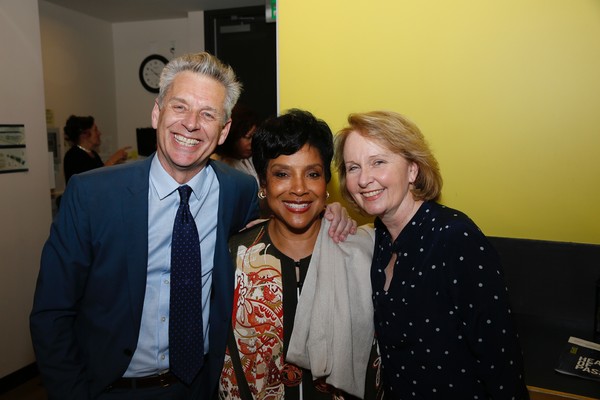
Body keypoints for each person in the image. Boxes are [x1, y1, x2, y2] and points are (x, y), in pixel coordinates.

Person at [30, 53, 354, 400]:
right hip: (111, 388)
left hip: (201, 386)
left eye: (208, 114)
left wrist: (333, 212)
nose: (191, 124)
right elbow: (52, 313)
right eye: (180, 107)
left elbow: (290, 204)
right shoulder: (92, 195)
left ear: (223, 130)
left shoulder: (238, 191)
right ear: (157, 113)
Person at [333, 111, 529, 399]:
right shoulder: (382, 238)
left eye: (378, 162)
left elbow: (501, 357)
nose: (364, 179)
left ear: (413, 170)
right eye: (353, 167)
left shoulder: (454, 237)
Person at [219, 109, 381, 400]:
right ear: (264, 184)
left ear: (326, 185)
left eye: (313, 174)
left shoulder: (360, 254)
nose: (298, 189)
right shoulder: (233, 257)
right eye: (282, 174)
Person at [63, 115, 131, 184]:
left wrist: (117, 161)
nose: (99, 133)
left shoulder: (93, 154)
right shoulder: (73, 156)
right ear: (84, 134)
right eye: (95, 130)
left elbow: (102, 174)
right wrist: (113, 159)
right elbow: (93, 181)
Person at [213, 103, 262, 184]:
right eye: (248, 137)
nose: (252, 142)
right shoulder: (219, 166)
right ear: (233, 136)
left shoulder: (251, 158)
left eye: (254, 136)